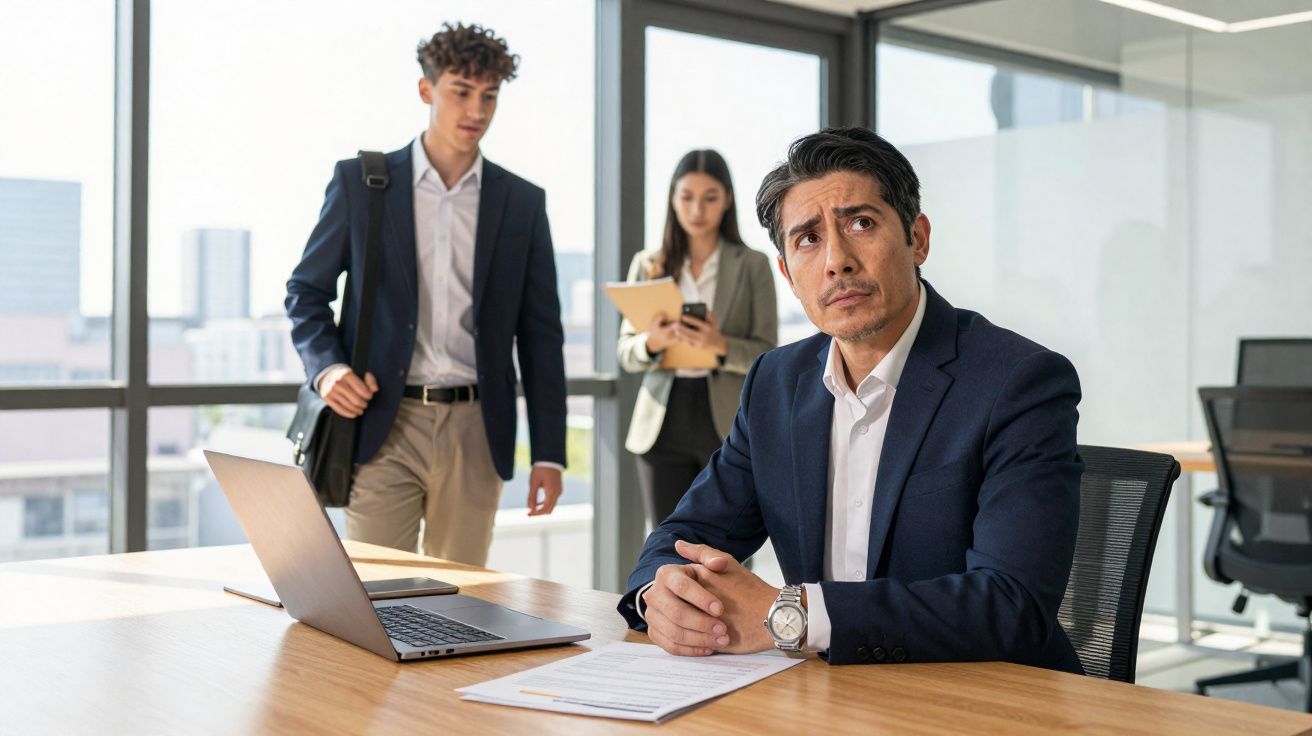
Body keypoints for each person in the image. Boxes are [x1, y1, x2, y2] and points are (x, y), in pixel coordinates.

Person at [616, 127, 1085, 672]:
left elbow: (1012, 605)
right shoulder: (776, 381)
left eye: (860, 223)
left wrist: (788, 614)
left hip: (984, 700)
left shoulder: (1019, 382)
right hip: (827, 696)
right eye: (808, 239)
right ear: (789, 274)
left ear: (918, 239)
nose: (837, 260)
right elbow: (685, 534)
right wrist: (661, 594)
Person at [285, 23, 567, 567]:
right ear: (426, 91)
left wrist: (549, 453)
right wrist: (327, 369)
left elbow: (540, 336)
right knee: (376, 594)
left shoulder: (522, 203)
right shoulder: (361, 184)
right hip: (383, 421)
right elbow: (306, 291)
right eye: (460, 91)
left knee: (460, 603)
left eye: (489, 96)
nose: (476, 110)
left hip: (477, 428)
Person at [618, 150, 777, 529]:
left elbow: (767, 353)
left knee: (729, 540)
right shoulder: (648, 263)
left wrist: (719, 345)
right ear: (672, 199)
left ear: (727, 200)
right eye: (686, 197)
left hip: (724, 419)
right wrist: (652, 342)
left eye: (709, 198)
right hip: (662, 419)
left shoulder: (752, 264)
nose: (696, 210)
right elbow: (626, 352)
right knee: (665, 540)